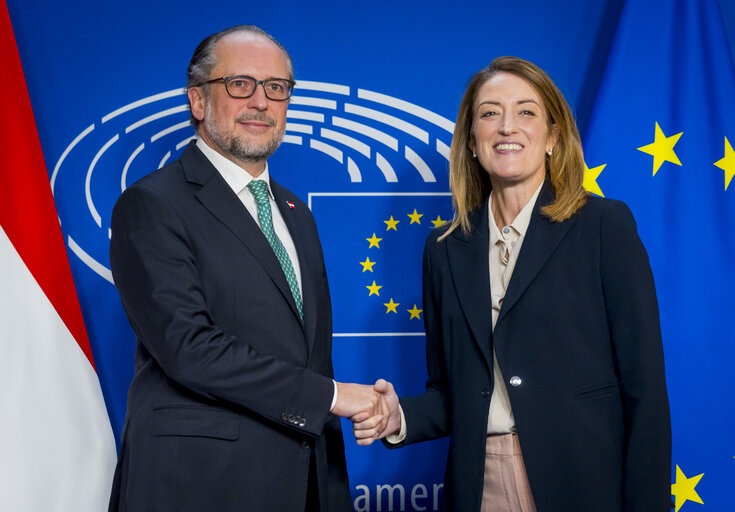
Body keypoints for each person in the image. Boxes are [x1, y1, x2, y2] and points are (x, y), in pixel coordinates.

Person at [355, 57, 671, 511]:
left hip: (584, 482)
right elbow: (453, 392)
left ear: (552, 137)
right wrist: (398, 415)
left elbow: (646, 395)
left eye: (526, 111)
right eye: (489, 113)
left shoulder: (604, 227)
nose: (507, 126)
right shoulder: (443, 250)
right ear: (470, 141)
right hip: (480, 483)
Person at [108, 25, 388, 512]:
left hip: (305, 483)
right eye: (240, 84)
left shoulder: (296, 213)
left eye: (276, 88)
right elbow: (189, 349)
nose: (261, 101)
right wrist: (333, 397)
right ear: (198, 101)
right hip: (199, 485)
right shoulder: (152, 204)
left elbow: (306, 356)